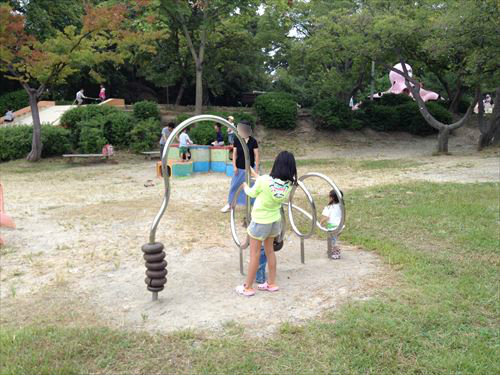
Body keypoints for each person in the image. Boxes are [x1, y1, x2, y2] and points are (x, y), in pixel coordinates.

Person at [235, 151, 297, 296]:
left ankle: (248, 287)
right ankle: (271, 283)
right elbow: (272, 184)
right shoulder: (288, 184)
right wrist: (258, 177)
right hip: (274, 222)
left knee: (255, 254)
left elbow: (252, 192)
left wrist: (244, 186)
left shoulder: (264, 180)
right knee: (270, 252)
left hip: (260, 222)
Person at [221, 120, 259, 213]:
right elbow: (234, 154)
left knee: (253, 187)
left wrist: (256, 170)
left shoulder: (253, 141)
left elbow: (256, 155)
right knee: (234, 186)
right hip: (239, 168)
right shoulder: (237, 140)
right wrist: (234, 166)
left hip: (250, 169)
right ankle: (230, 204)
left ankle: (254, 205)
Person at [320, 189, 343, 259]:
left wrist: (320, 222)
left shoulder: (329, 207)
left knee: (333, 241)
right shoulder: (341, 206)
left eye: (329, 196)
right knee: (334, 239)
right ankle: (331, 250)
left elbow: (326, 217)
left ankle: (336, 253)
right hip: (340, 226)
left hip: (332, 227)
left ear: (332, 198)